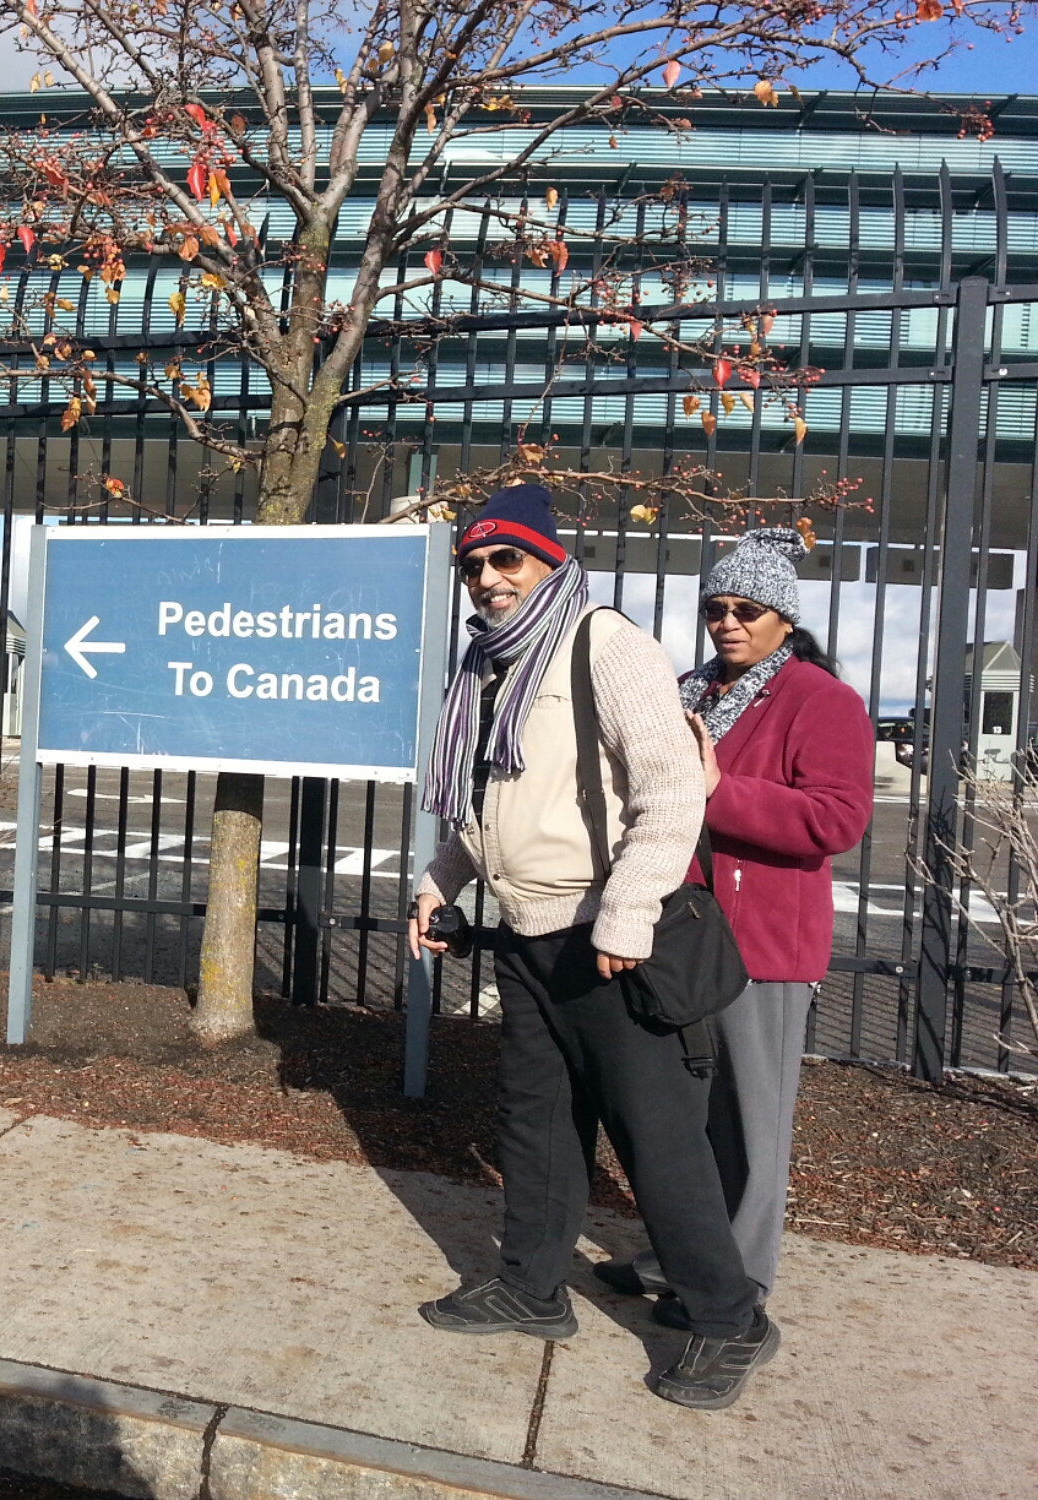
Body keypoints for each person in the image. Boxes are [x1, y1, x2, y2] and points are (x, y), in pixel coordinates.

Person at [408, 484, 774, 1411]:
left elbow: (671, 789)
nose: (487, 578)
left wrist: (627, 913)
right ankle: (531, 1288)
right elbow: (494, 800)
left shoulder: (605, 646)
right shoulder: (492, 662)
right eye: (473, 565)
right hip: (531, 935)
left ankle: (728, 1316)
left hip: (612, 939)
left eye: (507, 559)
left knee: (657, 1139)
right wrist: (442, 878)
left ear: (550, 562)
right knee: (534, 1123)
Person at [594, 528, 874, 1325]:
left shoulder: (821, 699)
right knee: (681, 1115)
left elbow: (837, 819)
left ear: (784, 616)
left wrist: (717, 790)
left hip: (762, 945)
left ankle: (738, 1286)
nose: (727, 622)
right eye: (715, 608)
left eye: (747, 609)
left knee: (750, 1122)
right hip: (679, 933)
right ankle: (686, 1254)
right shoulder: (690, 689)